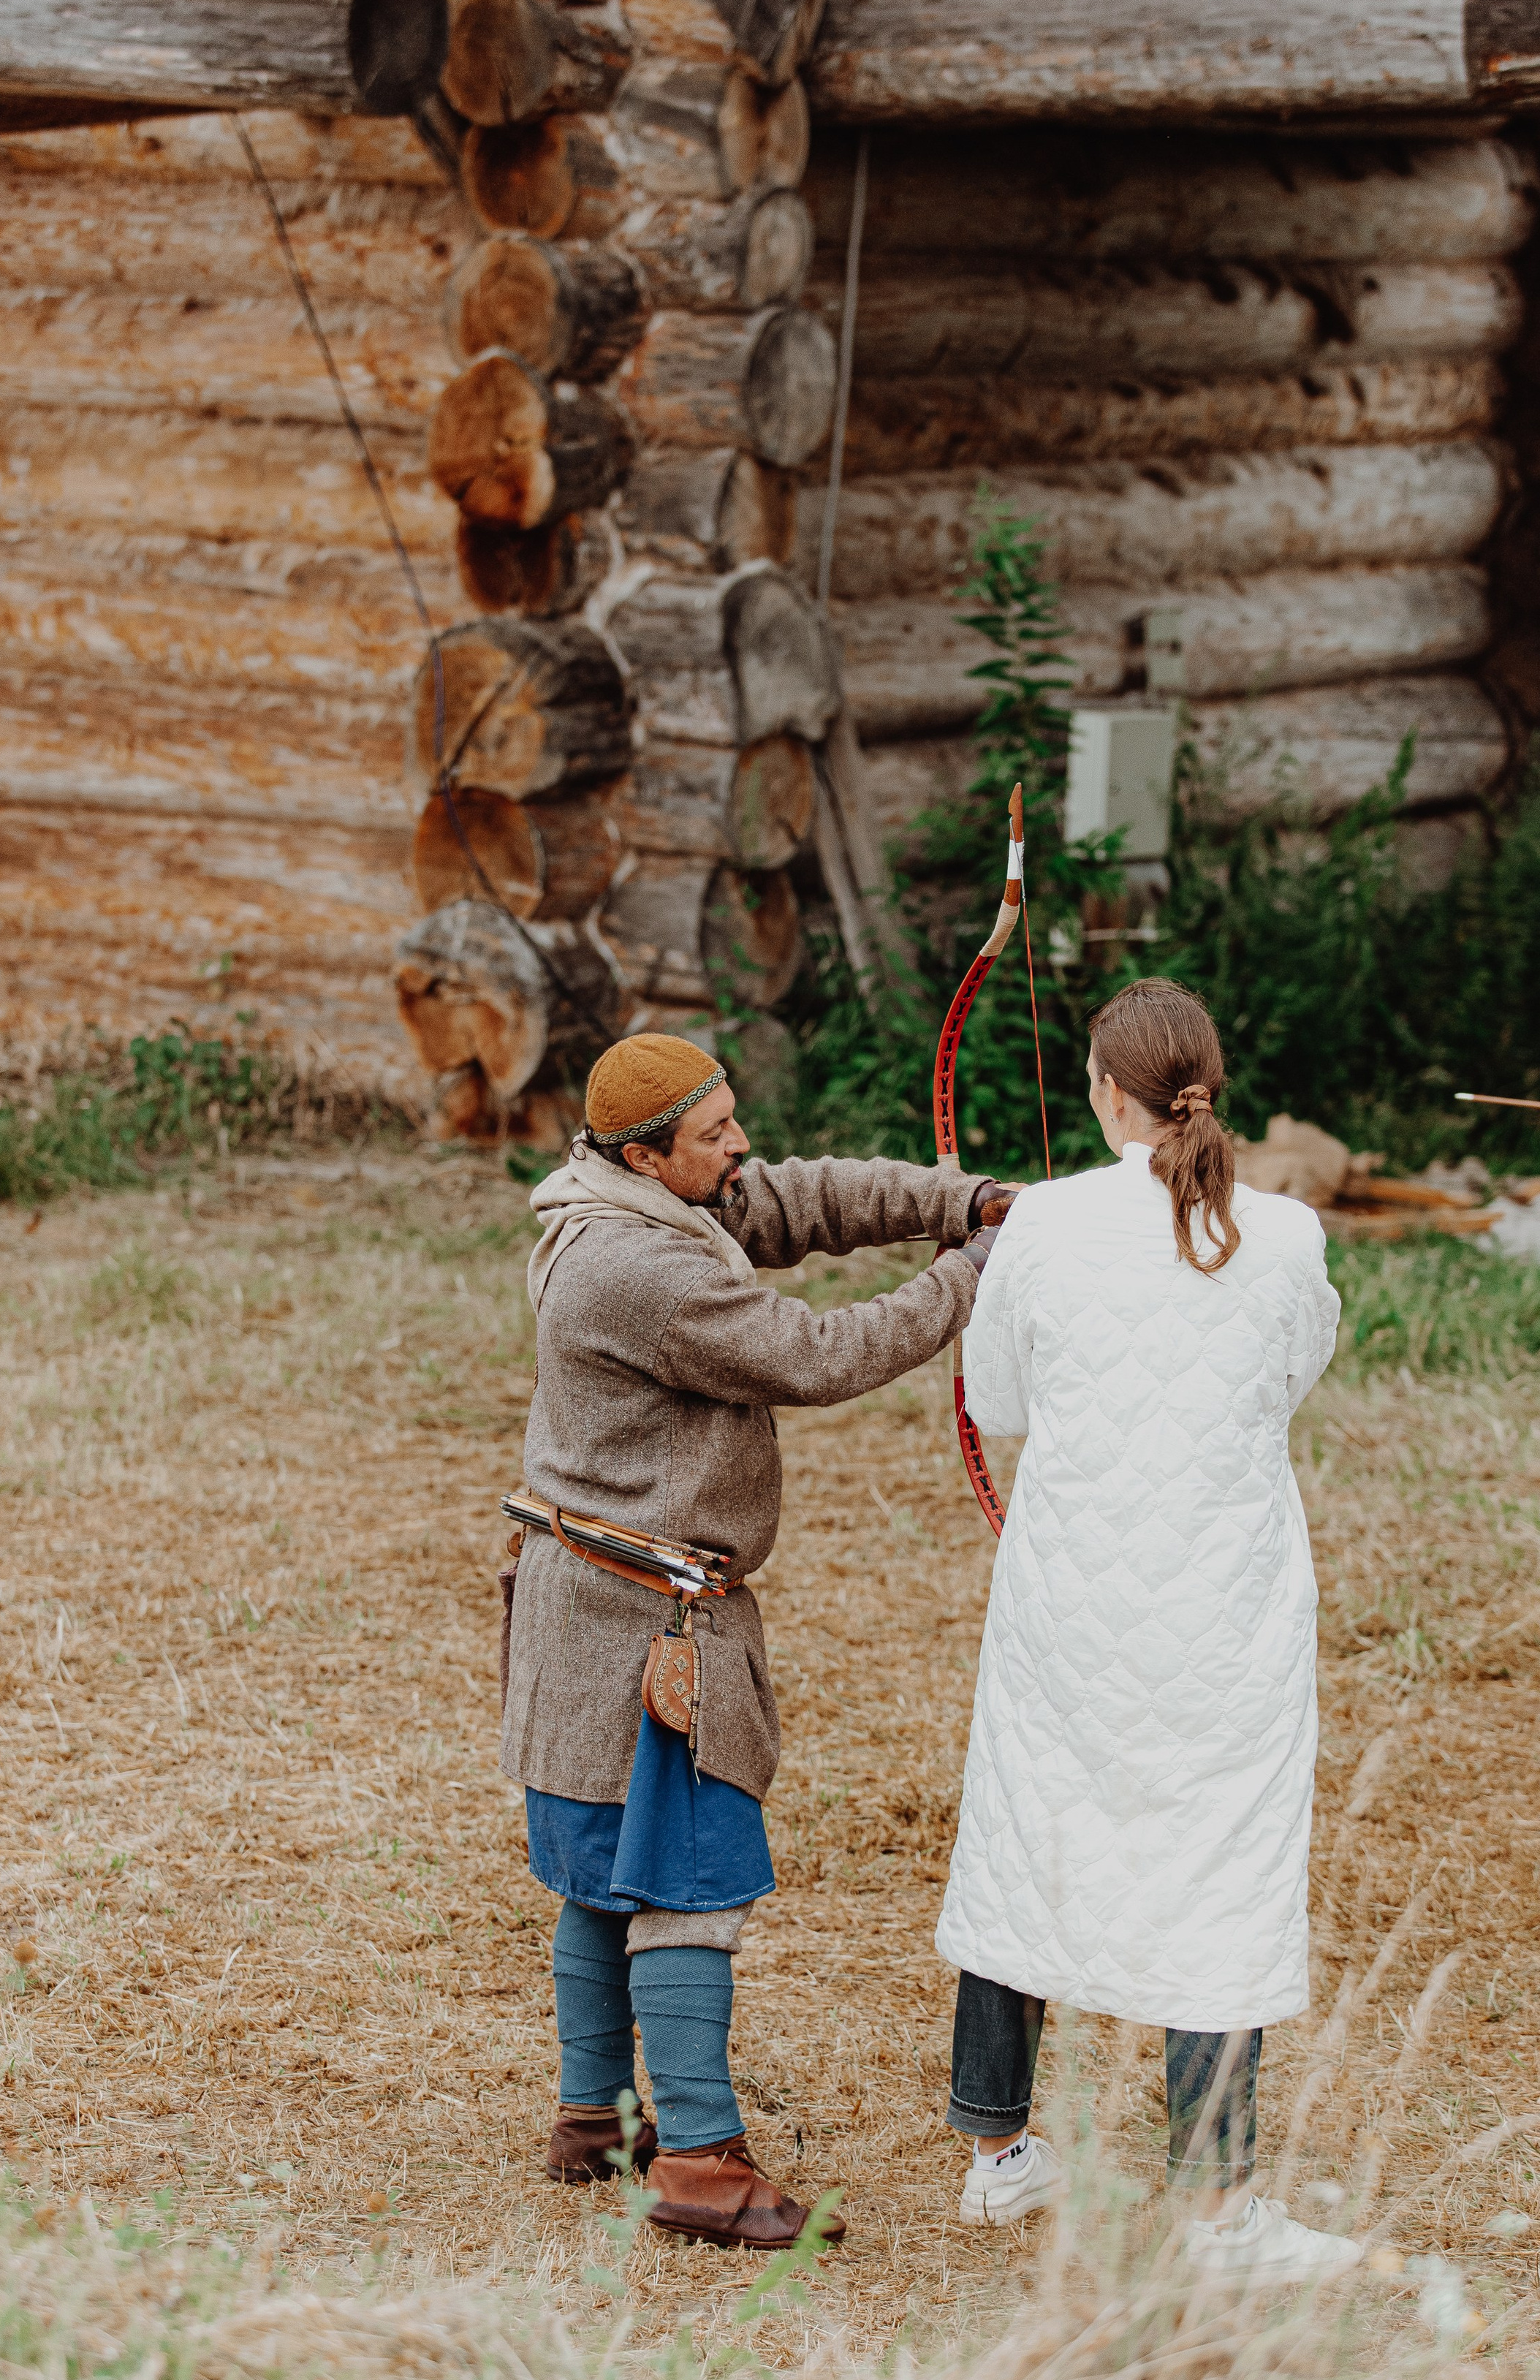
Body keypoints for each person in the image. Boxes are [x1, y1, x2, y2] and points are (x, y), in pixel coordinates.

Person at [506, 1031, 1009, 2249]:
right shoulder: (640, 1271)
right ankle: (699, 2165)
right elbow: (817, 1355)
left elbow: (800, 1198)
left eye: (733, 1119)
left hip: (584, 1613)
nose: (740, 1149)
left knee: (600, 1872)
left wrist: (963, 1200)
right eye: (715, 1134)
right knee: (684, 1887)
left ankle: (597, 2116)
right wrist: (974, 1273)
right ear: (643, 1152)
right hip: (648, 1630)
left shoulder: (634, 1196)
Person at [935, 977, 1362, 2281]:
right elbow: (1296, 1372)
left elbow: (994, 1401)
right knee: (1218, 1861)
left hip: (1072, 1596)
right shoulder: (1285, 1233)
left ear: (1105, 1095)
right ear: (1204, 1084)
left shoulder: (1046, 1226)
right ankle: (1219, 2211)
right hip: (1220, 1604)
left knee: (1028, 1827)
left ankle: (1001, 2155)